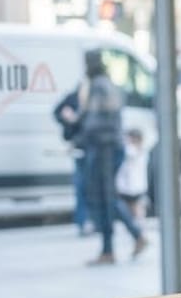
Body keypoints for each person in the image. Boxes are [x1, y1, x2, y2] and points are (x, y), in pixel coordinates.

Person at [78, 50, 147, 265]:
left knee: (105, 198)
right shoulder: (107, 84)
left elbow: (95, 121)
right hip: (108, 147)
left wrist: (79, 132)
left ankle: (113, 248)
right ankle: (131, 238)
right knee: (108, 198)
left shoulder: (98, 86)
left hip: (103, 148)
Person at [53, 83, 91, 235]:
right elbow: (57, 112)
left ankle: (90, 221)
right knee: (82, 186)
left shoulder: (94, 100)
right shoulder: (73, 98)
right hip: (80, 147)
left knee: (87, 186)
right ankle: (83, 222)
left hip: (88, 146)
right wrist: (68, 118)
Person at [116, 128, 149, 221]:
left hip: (131, 187)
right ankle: (138, 227)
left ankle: (138, 227)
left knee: (135, 209)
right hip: (134, 186)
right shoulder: (142, 151)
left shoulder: (131, 151)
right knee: (135, 209)